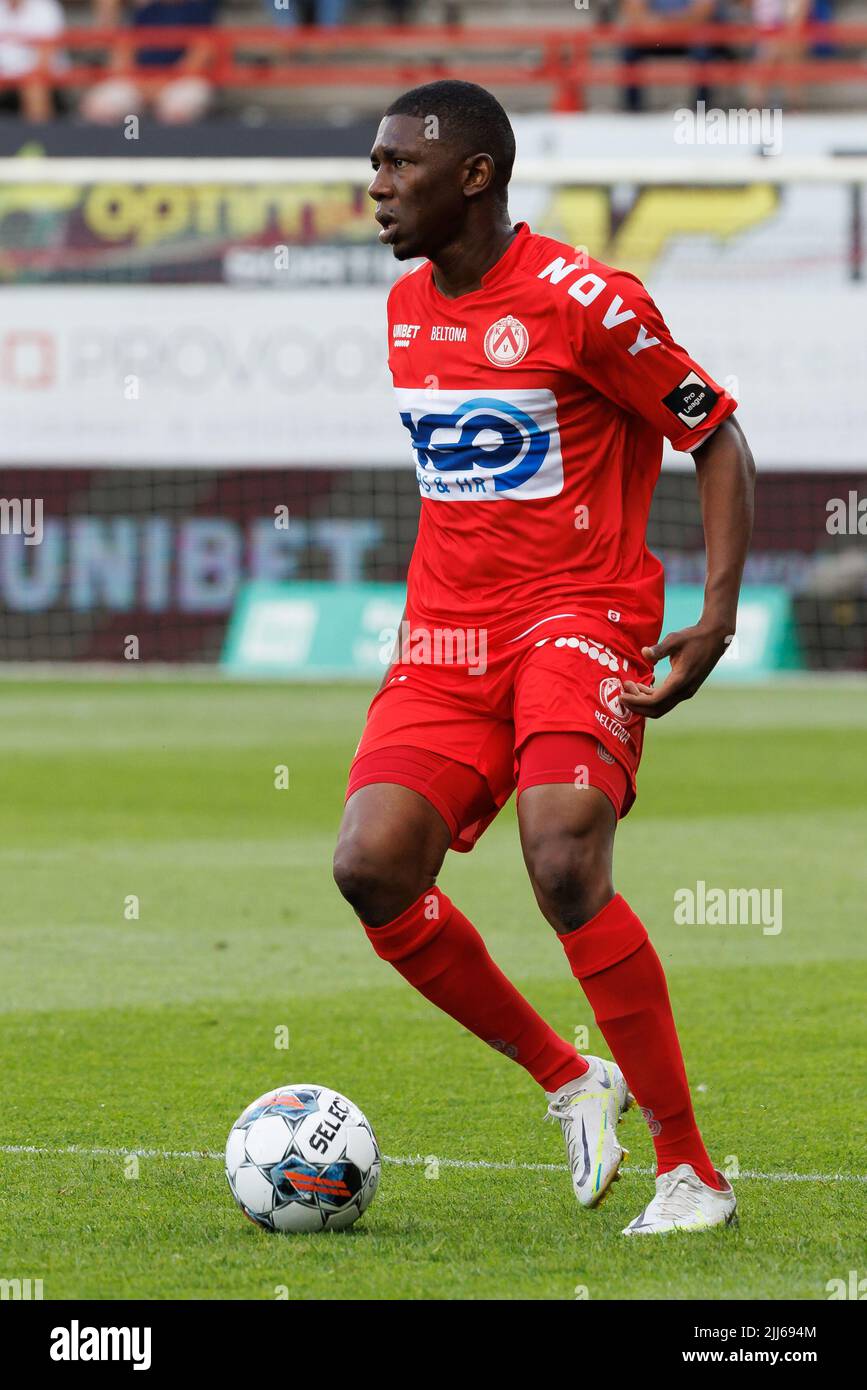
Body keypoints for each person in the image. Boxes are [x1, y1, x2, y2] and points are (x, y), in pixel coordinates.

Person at [333, 79, 756, 1235]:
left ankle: (690, 1170)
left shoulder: (586, 301)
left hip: (582, 611)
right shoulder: (407, 306)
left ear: (474, 175)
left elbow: (715, 433)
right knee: (372, 867)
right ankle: (572, 1078)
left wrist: (716, 620)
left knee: (564, 854)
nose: (374, 188)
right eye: (371, 166)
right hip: (447, 637)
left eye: (395, 166)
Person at [82, 0, 218, 125]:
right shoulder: (147, 11)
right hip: (140, 81)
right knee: (99, 107)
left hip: (178, 82)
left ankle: (173, 150)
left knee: (177, 109)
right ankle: (117, 149)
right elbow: (125, 50)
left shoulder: (199, 10)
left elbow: (200, 55)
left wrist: (162, 83)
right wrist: (139, 82)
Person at [0, 0, 64, 121]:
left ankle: (40, 137)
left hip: (36, 75)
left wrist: (20, 78)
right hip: (4, 76)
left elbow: (44, 60)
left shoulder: (45, 7)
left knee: (35, 86)